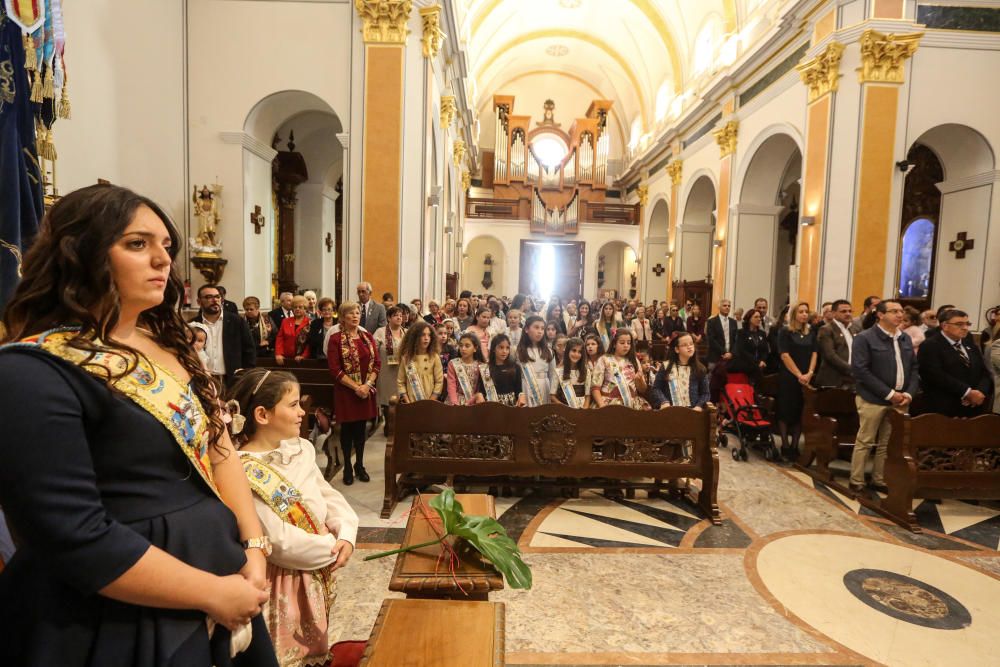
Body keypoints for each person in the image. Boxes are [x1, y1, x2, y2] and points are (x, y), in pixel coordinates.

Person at [0, 184, 277, 666]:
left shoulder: (167, 342)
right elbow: (73, 532)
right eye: (137, 244)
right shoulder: (31, 370)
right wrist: (211, 592)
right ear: (80, 251)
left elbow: (218, 445)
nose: (162, 260)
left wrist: (253, 547)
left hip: (216, 567)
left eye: (165, 246)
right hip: (114, 603)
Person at [226, 370, 358, 667]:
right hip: (283, 577)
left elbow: (328, 497)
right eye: (293, 404)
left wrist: (346, 532)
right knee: (288, 651)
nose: (302, 412)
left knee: (315, 641)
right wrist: (330, 547)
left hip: (314, 567)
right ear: (262, 414)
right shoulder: (242, 470)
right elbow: (279, 540)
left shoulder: (302, 449)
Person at [849, 299, 919, 494]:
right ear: (880, 314)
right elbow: (861, 370)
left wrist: (907, 394)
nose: (899, 315)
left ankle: (878, 478)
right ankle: (857, 480)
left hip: (900, 400)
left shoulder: (904, 338)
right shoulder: (865, 338)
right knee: (866, 440)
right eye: (894, 311)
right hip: (873, 398)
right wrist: (889, 394)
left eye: (901, 311)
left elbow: (914, 368)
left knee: (887, 443)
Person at [327, 301, 380, 485]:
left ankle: (360, 464)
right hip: (346, 392)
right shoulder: (335, 339)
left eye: (357, 312)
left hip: (365, 391)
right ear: (342, 317)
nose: (355, 315)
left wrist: (367, 385)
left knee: (361, 430)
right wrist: (356, 387)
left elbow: (377, 364)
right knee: (347, 430)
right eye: (351, 313)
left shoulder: (367, 337)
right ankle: (347, 467)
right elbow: (334, 369)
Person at [916, 308, 993, 417]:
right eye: (959, 324)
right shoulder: (930, 345)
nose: (965, 328)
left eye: (967, 324)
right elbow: (935, 375)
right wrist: (967, 392)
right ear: (944, 326)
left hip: (974, 406)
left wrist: (980, 393)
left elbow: (984, 372)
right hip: (943, 407)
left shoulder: (969, 344)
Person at [191, 284, 257, 385]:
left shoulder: (236, 321)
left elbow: (249, 350)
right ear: (199, 302)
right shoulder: (192, 325)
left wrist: (245, 376)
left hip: (231, 379)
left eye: (217, 296)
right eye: (209, 297)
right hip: (203, 380)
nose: (215, 300)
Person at [776, 302, 818, 461]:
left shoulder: (811, 332)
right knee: (786, 410)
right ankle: (785, 445)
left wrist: (809, 373)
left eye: (806, 312)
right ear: (794, 314)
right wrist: (799, 374)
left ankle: (795, 445)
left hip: (807, 377)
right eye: (801, 311)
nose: (804, 314)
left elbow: (814, 353)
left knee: (801, 410)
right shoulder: (785, 332)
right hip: (789, 377)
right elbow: (785, 355)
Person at [591, 329, 650, 409]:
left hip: (632, 403)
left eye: (628, 343)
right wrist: (602, 406)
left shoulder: (634, 360)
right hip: (609, 403)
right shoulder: (604, 359)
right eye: (622, 343)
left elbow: (642, 389)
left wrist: (638, 380)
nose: (626, 345)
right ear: (614, 344)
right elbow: (595, 388)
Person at [651, 332, 710, 410]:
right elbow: (656, 388)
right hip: (671, 411)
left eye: (691, 344)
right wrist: (664, 401)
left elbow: (705, 393)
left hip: (693, 411)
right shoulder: (666, 367)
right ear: (676, 349)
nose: (689, 347)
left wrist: (699, 406)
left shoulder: (700, 368)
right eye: (685, 345)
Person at [814, 299, 859, 389]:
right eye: (843, 311)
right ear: (834, 313)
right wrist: (851, 369)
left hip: (853, 379)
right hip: (833, 378)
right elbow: (830, 355)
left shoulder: (855, 329)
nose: (848, 314)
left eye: (850, 311)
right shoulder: (826, 329)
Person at [373, 305, 407, 423]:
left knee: (401, 396)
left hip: (402, 371)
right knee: (387, 398)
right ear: (388, 318)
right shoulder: (380, 332)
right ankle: (389, 424)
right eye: (395, 315)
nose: (399, 317)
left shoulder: (406, 333)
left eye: (400, 315)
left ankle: (399, 424)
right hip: (385, 371)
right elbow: (372, 351)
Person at [516, 315, 559, 406]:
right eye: (536, 327)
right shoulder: (518, 351)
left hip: (544, 387)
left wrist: (552, 393)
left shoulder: (549, 351)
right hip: (526, 387)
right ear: (527, 329)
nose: (540, 331)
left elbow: (552, 375)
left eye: (542, 328)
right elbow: (516, 376)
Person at [396, 321, 443, 403]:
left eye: (429, 335)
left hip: (430, 403)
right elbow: (401, 382)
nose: (426, 338)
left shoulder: (434, 357)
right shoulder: (406, 358)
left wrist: (431, 401)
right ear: (414, 337)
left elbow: (439, 382)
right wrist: (407, 401)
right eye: (423, 335)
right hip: (411, 404)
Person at [728, 309, 770, 381]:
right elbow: (742, 351)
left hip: (760, 365)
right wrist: (757, 362)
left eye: (760, 317)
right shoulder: (741, 333)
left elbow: (765, 350)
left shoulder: (762, 333)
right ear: (749, 319)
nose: (759, 319)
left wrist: (762, 360)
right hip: (746, 364)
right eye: (756, 317)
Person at [446, 332, 486, 405]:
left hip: (473, 402)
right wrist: (455, 404)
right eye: (461, 346)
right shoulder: (453, 364)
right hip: (456, 401)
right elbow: (451, 386)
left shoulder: (481, 366)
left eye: (467, 346)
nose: (463, 349)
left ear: (475, 348)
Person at [483, 334, 523, 406]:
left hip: (512, 405)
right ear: (493, 349)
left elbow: (519, 389)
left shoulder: (515, 367)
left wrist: (521, 396)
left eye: (507, 348)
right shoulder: (486, 368)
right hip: (493, 405)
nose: (504, 351)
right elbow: (483, 390)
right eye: (501, 347)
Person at [553, 337, 591, 408]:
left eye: (579, 352)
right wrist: (564, 408)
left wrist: (584, 410)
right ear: (567, 351)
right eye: (574, 350)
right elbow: (552, 396)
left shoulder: (586, 371)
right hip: (565, 409)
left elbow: (587, 396)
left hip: (582, 409)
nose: (576, 354)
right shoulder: (558, 371)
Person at [273, 295, 311, 364]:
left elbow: (310, 343)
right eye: (295, 307)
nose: (297, 309)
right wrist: (278, 354)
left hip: (302, 360)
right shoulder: (285, 321)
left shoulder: (310, 322)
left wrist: (303, 356)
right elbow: (280, 338)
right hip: (285, 358)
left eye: (300, 307)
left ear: (305, 309)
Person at [706, 299, 737, 366]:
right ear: (719, 307)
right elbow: (712, 340)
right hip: (715, 356)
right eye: (724, 305)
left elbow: (736, 340)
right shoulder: (712, 321)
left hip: (730, 357)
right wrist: (724, 352)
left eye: (729, 306)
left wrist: (731, 353)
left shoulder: (733, 322)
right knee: (713, 376)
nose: (727, 307)